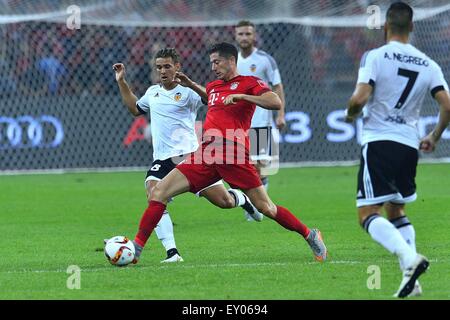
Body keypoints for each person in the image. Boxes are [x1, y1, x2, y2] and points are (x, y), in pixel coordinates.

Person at [130, 42, 328, 264]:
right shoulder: (214, 86)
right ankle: (135, 250)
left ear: (231, 61)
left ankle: (309, 234)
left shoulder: (249, 83)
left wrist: (244, 97)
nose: (213, 67)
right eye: (211, 63)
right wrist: (191, 84)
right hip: (206, 153)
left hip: (233, 153)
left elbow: (275, 101)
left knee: (266, 207)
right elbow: (211, 97)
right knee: (158, 193)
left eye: (217, 62)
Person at [113, 48, 263, 263]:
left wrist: (192, 85)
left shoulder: (188, 92)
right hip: (162, 160)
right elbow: (135, 109)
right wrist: (121, 81)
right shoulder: (152, 92)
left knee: (224, 202)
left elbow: (212, 99)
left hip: (189, 158)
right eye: (159, 67)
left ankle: (241, 198)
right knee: (155, 195)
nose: (162, 71)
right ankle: (172, 252)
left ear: (177, 67)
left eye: (167, 66)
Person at [344, 2, 450, 298]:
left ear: (386, 26)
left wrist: (351, 113)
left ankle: (409, 257)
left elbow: (360, 97)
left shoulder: (375, 56)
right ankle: (412, 282)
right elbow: (447, 105)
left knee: (367, 212)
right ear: (412, 27)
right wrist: (435, 135)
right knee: (396, 208)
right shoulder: (428, 63)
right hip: (408, 144)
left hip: (379, 141)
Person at [234, 20, 286, 221]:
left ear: (254, 36)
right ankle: (254, 205)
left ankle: (257, 207)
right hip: (237, 124)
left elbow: (277, 87)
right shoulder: (231, 61)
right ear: (235, 36)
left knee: (261, 168)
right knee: (240, 168)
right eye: (241, 34)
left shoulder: (265, 60)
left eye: (248, 34)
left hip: (261, 122)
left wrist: (280, 114)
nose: (245, 37)